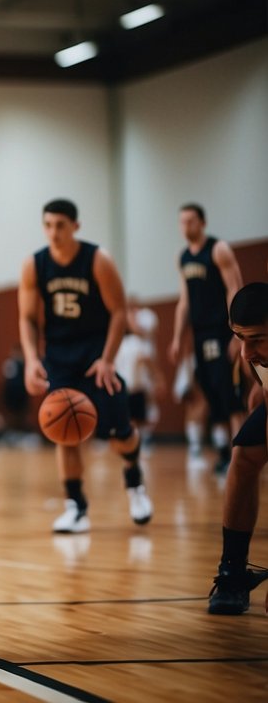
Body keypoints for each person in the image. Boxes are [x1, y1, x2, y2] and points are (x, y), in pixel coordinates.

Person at [17, 199, 152, 534]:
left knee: (121, 434)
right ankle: (75, 507)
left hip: (96, 357)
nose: (53, 232)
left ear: (75, 226)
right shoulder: (35, 265)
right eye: (48, 225)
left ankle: (135, 482)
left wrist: (107, 360)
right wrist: (33, 359)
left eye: (60, 225)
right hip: (60, 358)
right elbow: (29, 318)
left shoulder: (97, 260)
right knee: (64, 433)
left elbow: (119, 312)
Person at [170, 203, 246, 474]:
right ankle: (226, 451)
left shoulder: (218, 249)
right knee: (211, 394)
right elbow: (184, 300)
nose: (185, 226)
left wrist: (237, 332)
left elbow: (234, 288)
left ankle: (241, 454)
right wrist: (178, 337)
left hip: (220, 331)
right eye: (182, 222)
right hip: (200, 334)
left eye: (190, 221)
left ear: (202, 222)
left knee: (228, 392)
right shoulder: (183, 258)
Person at [207, 282, 268, 614]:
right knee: (244, 454)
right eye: (240, 338)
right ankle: (232, 569)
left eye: (256, 339)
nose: (246, 353)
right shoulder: (255, 358)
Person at [115, 305, 162, 446]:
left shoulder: (119, 345)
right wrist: (158, 377)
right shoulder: (135, 343)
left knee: (132, 419)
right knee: (138, 419)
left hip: (125, 388)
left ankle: (135, 441)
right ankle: (140, 441)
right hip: (134, 387)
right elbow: (147, 360)